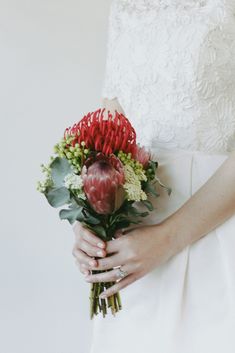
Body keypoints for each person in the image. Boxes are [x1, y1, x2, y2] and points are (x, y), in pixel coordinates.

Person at [72, 1, 235, 352]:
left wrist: (166, 239)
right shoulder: (124, 6)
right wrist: (90, 217)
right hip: (133, 249)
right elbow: (110, 125)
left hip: (218, 232)